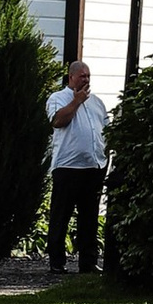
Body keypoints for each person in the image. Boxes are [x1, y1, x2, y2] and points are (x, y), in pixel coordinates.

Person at [44, 58, 107, 277]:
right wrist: (76, 101)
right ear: (71, 77)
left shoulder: (97, 102)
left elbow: (105, 129)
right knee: (61, 215)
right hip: (68, 167)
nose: (86, 80)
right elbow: (58, 121)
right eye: (82, 76)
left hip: (94, 166)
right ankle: (57, 262)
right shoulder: (58, 98)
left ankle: (88, 263)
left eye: (88, 76)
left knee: (89, 217)